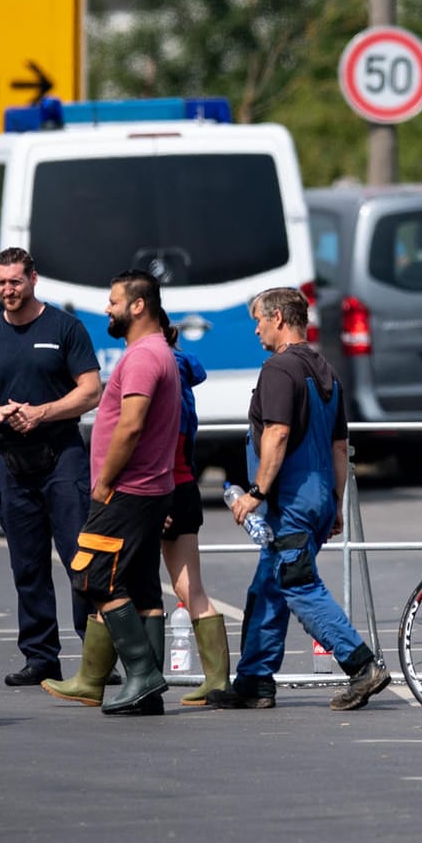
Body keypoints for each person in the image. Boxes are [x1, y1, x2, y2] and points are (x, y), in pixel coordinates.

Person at [211, 287, 390, 711]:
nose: (255, 329)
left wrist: (256, 491)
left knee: (298, 584)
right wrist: (336, 504)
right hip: (318, 496)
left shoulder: (279, 369)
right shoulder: (324, 369)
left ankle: (362, 665)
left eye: (258, 320)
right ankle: (255, 681)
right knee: (268, 586)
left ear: (278, 318)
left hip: (290, 499)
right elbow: (339, 446)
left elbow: (277, 433)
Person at [0, 247, 103, 687]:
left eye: (16, 281)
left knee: (82, 560)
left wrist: (43, 412)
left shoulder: (64, 328)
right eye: (1, 282)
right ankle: (41, 658)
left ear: (33, 279)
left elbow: (92, 391)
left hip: (63, 455)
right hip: (12, 461)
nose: (8, 290)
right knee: (28, 564)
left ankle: (98, 657)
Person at [67, 270, 180, 716]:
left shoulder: (142, 358)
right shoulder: (158, 352)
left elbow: (131, 425)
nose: (107, 309)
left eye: (114, 301)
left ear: (137, 305)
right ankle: (147, 691)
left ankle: (142, 673)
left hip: (128, 490)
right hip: (149, 490)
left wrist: (106, 481)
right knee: (142, 588)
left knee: (95, 578)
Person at [155, 329, 233, 706]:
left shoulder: (160, 370)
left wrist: (160, 500)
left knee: (123, 586)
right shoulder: (181, 369)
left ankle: (138, 680)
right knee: (191, 589)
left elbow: (162, 441)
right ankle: (217, 681)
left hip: (162, 488)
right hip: (184, 486)